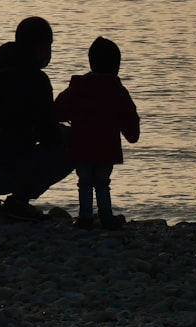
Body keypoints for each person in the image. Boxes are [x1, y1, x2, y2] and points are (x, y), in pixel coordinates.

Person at [0, 16, 73, 220]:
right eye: (49, 46)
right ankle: (18, 202)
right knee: (74, 143)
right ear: (40, 47)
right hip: (2, 174)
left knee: (4, 144)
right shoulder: (35, 80)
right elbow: (50, 137)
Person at [54, 36, 140, 229]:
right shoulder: (117, 90)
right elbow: (129, 118)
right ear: (116, 65)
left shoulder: (78, 87)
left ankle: (84, 217)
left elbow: (58, 110)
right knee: (102, 183)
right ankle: (106, 217)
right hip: (106, 149)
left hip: (81, 147)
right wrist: (132, 134)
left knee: (84, 182)